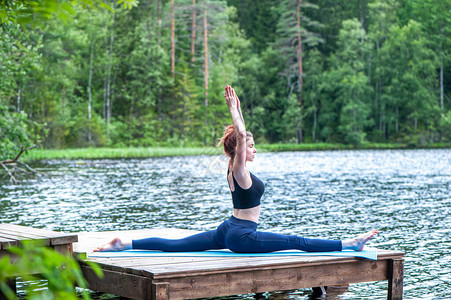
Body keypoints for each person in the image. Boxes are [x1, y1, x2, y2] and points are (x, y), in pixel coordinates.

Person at [94, 85, 378, 253]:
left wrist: (239, 110)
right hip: (242, 235)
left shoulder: (233, 167)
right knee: (294, 240)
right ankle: (350, 244)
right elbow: (241, 137)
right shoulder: (239, 170)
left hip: (228, 228)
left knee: (178, 245)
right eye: (251, 146)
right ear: (241, 150)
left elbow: (240, 137)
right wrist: (233, 111)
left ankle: (125, 243)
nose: (254, 150)